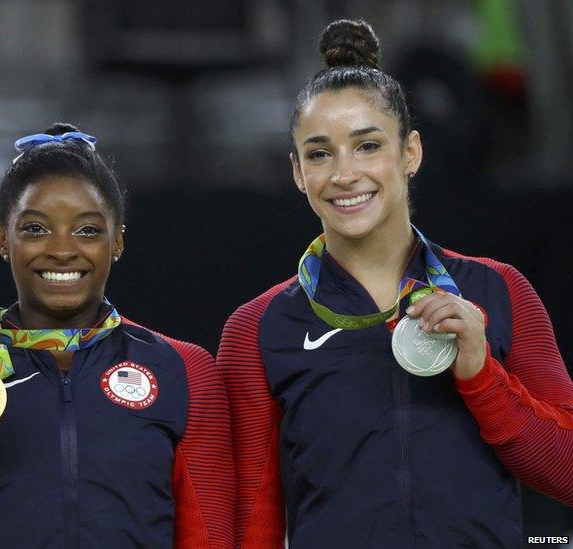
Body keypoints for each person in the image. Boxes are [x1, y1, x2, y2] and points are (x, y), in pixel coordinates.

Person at [218, 19, 573, 548]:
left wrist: (481, 375)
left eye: (367, 146)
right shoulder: (257, 329)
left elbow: (565, 472)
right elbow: (251, 518)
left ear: (411, 153)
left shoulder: (500, 291)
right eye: (319, 153)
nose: (344, 173)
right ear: (297, 171)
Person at [0, 123, 235, 548]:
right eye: (35, 228)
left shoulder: (184, 370)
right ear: (3, 238)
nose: (62, 249)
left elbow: (210, 536)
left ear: (118, 241)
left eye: (87, 230)